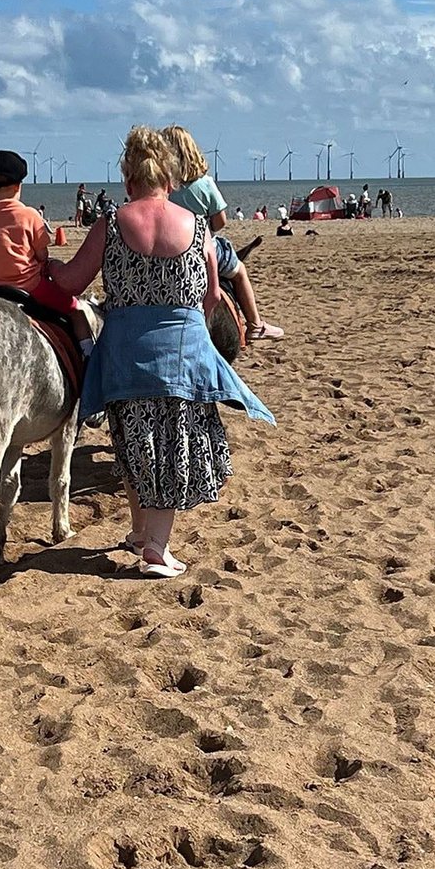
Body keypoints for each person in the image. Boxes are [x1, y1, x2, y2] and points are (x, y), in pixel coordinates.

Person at [50, 126, 272, 578]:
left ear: (128, 180)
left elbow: (72, 282)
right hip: (181, 355)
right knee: (172, 447)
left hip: (124, 353)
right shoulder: (196, 229)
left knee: (136, 444)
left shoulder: (110, 224)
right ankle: (156, 545)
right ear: (170, 181)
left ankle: (143, 534)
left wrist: (48, 264)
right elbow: (211, 298)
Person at [161, 126, 284, 340]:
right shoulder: (205, 184)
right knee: (239, 272)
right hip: (203, 248)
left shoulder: (163, 188)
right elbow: (220, 221)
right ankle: (255, 324)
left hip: (169, 249)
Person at [0, 150, 94, 354]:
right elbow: (42, 255)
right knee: (76, 312)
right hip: (31, 288)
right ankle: (89, 357)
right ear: (19, 186)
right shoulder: (30, 215)